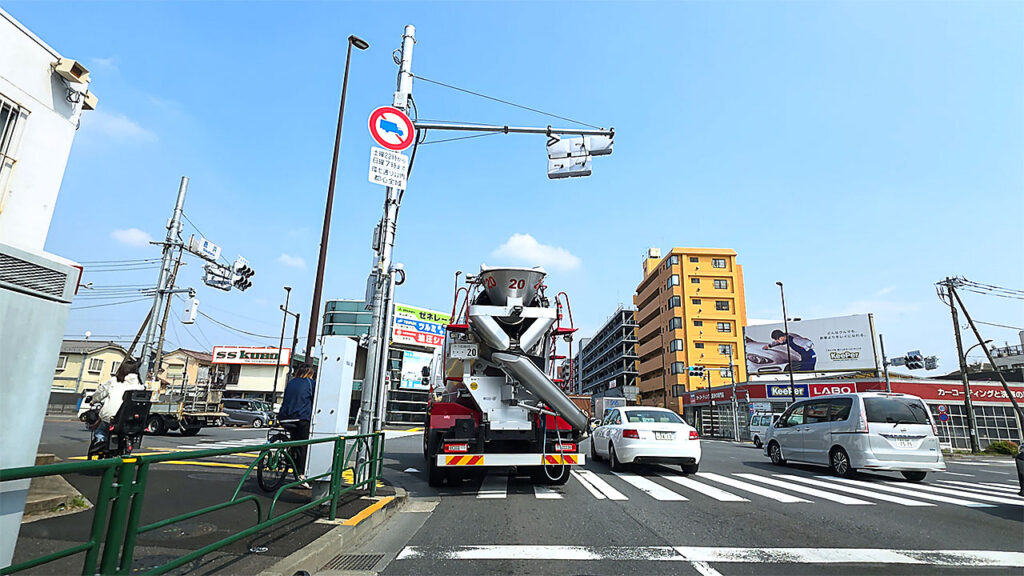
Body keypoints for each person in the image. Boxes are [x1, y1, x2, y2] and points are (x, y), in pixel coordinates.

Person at [91, 358, 147, 446]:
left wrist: (93, 400)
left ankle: (100, 442)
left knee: (101, 431)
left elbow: (99, 394)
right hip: (130, 421)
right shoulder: (140, 386)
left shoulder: (114, 381)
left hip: (112, 417)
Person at [278, 363, 316, 483]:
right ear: (310, 373)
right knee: (304, 445)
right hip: (301, 418)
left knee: (295, 441)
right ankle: (301, 474)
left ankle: (291, 458)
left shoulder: (291, 382)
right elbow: (315, 399)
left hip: (284, 418)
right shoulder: (310, 383)